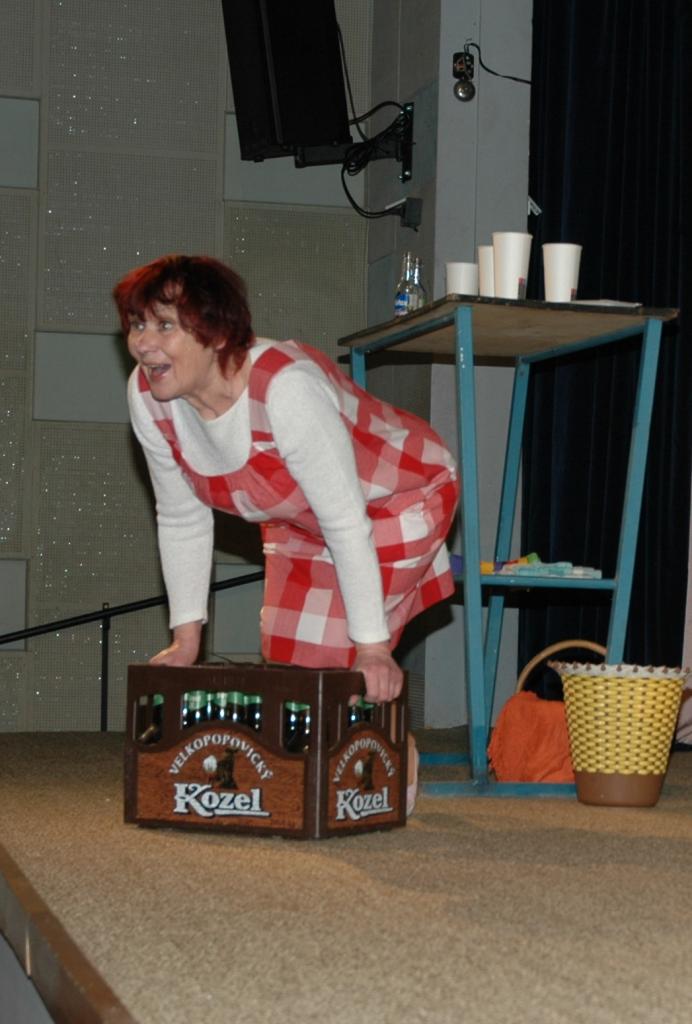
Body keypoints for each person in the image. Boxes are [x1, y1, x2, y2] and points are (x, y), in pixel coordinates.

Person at [113, 254, 459, 711]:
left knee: (340, 662)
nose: (143, 343)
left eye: (164, 326)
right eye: (137, 325)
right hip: (302, 521)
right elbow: (182, 519)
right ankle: (365, 751)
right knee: (290, 663)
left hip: (402, 496)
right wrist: (185, 642)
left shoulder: (284, 388)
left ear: (217, 334)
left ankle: (387, 753)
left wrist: (373, 649)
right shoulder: (149, 398)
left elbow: (344, 522)